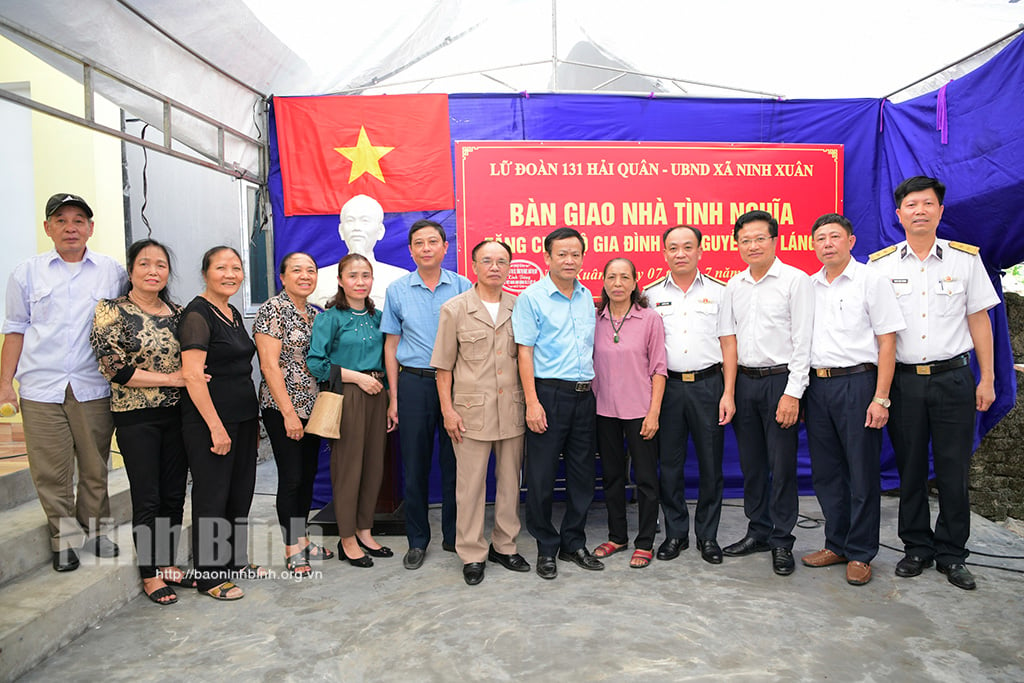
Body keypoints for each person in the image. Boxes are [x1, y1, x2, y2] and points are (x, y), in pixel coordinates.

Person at [869, 176, 999, 591]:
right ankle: (916, 548)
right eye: (911, 205)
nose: (919, 211)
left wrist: (988, 379)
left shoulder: (965, 261)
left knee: (952, 470)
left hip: (954, 379)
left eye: (927, 204)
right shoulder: (881, 266)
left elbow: (980, 322)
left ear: (940, 211)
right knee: (908, 470)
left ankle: (951, 554)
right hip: (904, 384)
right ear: (898, 215)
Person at [1, 193, 126, 572]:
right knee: (50, 470)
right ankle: (64, 539)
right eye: (60, 220)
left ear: (90, 227)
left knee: (94, 465)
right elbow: (16, 329)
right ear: (47, 228)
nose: (70, 227)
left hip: (93, 386)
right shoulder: (26, 273)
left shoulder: (111, 271)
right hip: (41, 388)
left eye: (78, 220)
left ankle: (98, 531)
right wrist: (6, 382)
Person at [89, 238, 196, 605]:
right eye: (145, 264)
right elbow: (114, 368)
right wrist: (172, 379)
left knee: (173, 495)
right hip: (137, 418)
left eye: (161, 265)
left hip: (178, 416)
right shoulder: (111, 311)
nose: (153, 271)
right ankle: (149, 574)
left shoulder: (180, 314)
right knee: (147, 497)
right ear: (131, 270)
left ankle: (166, 564)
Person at [802, 214, 905, 586]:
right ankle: (837, 543)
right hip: (818, 386)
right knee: (827, 472)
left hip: (859, 383)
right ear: (812, 245)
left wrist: (881, 398)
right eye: (820, 238)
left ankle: (861, 552)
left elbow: (888, 342)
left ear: (851, 241)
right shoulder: (808, 286)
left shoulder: (871, 281)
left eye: (834, 237)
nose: (827, 243)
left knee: (861, 471)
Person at [431, 240, 529, 585]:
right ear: (474, 265)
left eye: (502, 261)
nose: (495, 267)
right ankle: (472, 553)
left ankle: (505, 545)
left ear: (509, 267)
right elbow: (443, 368)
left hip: (511, 410)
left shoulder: (521, 307)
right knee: (470, 488)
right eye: (487, 260)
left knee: (509, 485)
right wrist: (448, 410)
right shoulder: (455, 309)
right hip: (470, 413)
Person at [721, 210, 813, 576]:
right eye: (745, 240)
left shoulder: (795, 281)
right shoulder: (734, 285)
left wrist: (793, 393)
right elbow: (728, 340)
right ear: (737, 245)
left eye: (760, 238)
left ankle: (782, 540)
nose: (752, 245)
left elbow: (804, 342)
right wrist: (730, 391)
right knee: (752, 464)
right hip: (745, 382)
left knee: (782, 465)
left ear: (775, 240)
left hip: (781, 382)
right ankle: (757, 530)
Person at [512, 227, 602, 579]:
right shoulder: (532, 298)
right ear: (547, 258)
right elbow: (524, 353)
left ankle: (573, 542)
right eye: (561, 254)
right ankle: (546, 547)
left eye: (575, 254)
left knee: (582, 476)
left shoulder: (585, 296)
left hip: (584, 396)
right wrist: (532, 403)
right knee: (541, 477)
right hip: (547, 394)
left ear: (582, 258)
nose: (569, 260)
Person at [381, 220, 471, 570]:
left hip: (458, 385)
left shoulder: (464, 287)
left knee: (456, 464)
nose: (427, 248)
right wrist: (394, 397)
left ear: (445, 247)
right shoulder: (397, 290)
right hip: (414, 384)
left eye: (433, 241)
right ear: (411, 250)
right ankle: (417, 540)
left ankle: (454, 535)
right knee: (414, 465)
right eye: (419, 243)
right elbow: (391, 345)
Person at [646, 226, 736, 566]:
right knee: (669, 465)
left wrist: (728, 392)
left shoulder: (720, 291)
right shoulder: (651, 295)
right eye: (673, 248)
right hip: (668, 388)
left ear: (700, 250)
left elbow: (729, 344)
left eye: (687, 247)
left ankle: (708, 536)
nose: (680, 253)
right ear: (664, 253)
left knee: (711, 465)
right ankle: (675, 534)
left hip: (709, 386)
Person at [179, 246, 263, 600]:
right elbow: (193, 376)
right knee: (213, 495)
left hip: (243, 417)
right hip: (212, 421)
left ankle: (233, 561)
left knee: (240, 492)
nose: (230, 274)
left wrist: (252, 422)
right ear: (205, 273)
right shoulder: (197, 315)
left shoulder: (230, 312)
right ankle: (210, 575)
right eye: (221, 268)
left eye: (237, 267)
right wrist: (215, 426)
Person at [308, 254, 396, 567]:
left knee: (374, 467)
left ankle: (365, 530)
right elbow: (316, 363)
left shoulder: (380, 317)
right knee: (348, 469)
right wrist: (357, 377)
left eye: (366, 276)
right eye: (353, 276)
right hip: (347, 395)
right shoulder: (329, 318)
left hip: (377, 396)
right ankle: (347, 539)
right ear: (341, 280)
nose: (360, 282)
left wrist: (387, 396)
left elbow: (389, 358)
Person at [254, 252, 334, 577]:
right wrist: (288, 413)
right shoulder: (273, 309)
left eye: (310, 270)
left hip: (313, 408)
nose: (304, 275)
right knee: (291, 478)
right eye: (296, 270)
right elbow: (269, 365)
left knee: (308, 475)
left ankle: (303, 541)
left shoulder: (314, 315)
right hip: (283, 407)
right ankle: (292, 549)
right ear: (282, 276)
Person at [590, 258, 667, 569]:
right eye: (612, 277)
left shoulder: (649, 319)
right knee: (611, 478)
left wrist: (654, 413)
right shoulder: (594, 318)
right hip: (604, 410)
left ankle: (645, 541)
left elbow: (659, 369)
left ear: (636, 282)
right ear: (604, 282)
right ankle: (617, 536)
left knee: (646, 479)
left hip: (640, 411)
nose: (618, 283)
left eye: (624, 277)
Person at [311, 194, 410, 309]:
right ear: (341, 231)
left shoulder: (400, 278)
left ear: (380, 231)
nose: (356, 228)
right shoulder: (320, 278)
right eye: (350, 221)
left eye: (365, 221)